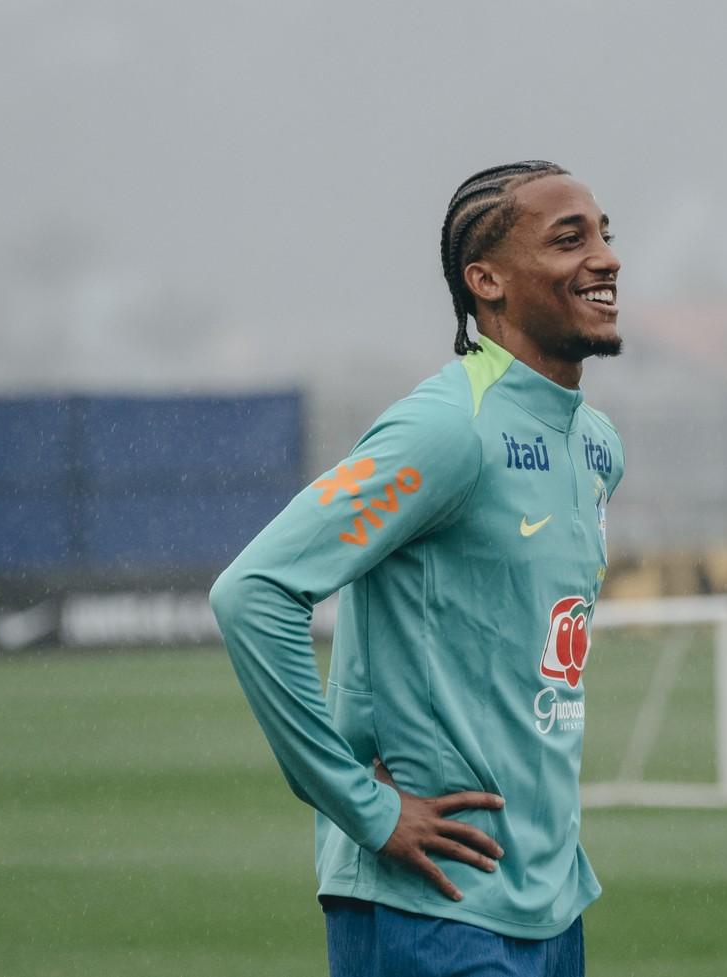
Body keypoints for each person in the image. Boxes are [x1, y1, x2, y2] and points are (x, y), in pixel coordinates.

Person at [209, 160, 625, 977]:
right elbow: (253, 593)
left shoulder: (598, 444)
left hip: (553, 903)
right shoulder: (447, 430)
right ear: (487, 281)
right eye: (570, 239)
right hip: (430, 909)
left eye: (607, 235)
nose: (606, 257)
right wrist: (364, 807)